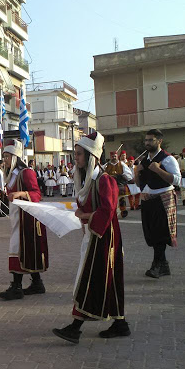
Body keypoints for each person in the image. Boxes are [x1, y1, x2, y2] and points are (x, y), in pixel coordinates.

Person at [52, 132, 128, 344]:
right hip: (93, 236)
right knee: (106, 280)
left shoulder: (105, 181)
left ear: (90, 156)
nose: (75, 158)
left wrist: (84, 216)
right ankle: (120, 323)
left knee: (90, 279)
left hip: (104, 237)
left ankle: (75, 327)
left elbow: (107, 211)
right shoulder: (87, 179)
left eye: (78, 154)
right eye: (75, 154)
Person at [0, 141, 48, 300]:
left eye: (7, 157)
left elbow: (36, 194)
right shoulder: (12, 174)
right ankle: (37, 283)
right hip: (17, 217)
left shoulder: (25, 172)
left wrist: (19, 194)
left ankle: (17, 286)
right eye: (4, 157)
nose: (5, 160)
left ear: (15, 157)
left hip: (28, 218)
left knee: (17, 248)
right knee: (27, 250)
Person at [134, 129, 181, 278]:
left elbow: (177, 180)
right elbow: (138, 183)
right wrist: (136, 172)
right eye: (146, 140)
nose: (147, 143)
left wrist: (159, 170)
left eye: (150, 140)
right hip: (147, 200)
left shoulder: (168, 159)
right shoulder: (145, 160)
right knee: (151, 233)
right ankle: (164, 265)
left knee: (160, 233)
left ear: (159, 141)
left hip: (162, 199)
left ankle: (157, 265)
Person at [103, 150, 133, 218]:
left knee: (122, 198)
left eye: (115, 156)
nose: (114, 157)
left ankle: (123, 210)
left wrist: (124, 176)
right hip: (110, 185)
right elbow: (101, 173)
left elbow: (128, 173)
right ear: (110, 157)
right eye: (112, 156)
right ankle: (113, 212)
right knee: (111, 200)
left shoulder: (121, 164)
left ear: (117, 156)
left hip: (120, 184)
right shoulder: (106, 165)